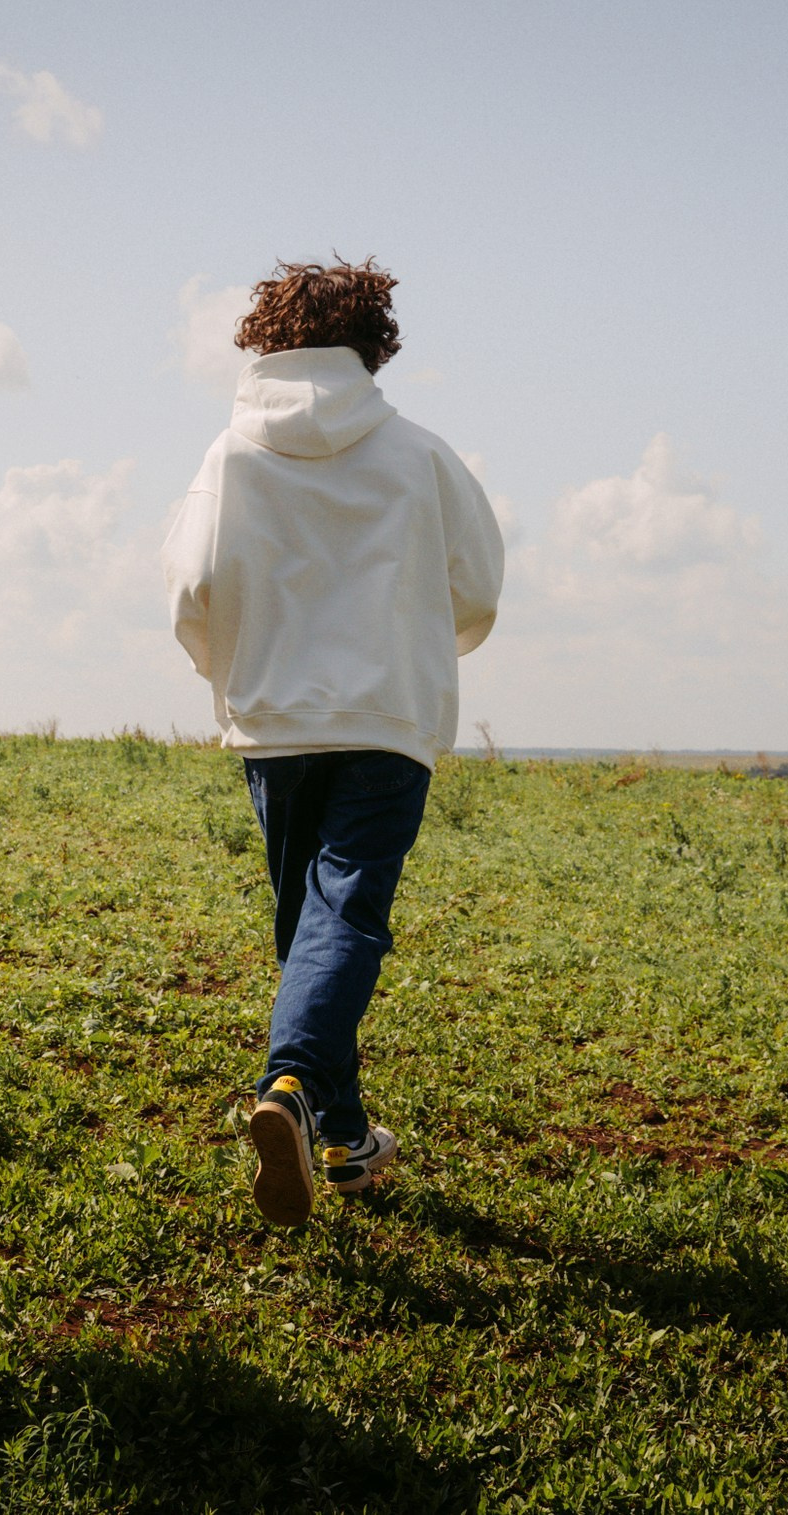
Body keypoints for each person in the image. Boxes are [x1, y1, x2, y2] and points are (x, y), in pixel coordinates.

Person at [163, 259, 504, 1227]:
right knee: (342, 917)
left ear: (267, 342)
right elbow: (477, 589)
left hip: (274, 722)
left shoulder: (228, 457)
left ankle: (343, 1141)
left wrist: (235, 676)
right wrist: (417, 641)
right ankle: (290, 1093)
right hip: (386, 721)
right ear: (371, 346)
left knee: (308, 927)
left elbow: (189, 590)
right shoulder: (419, 456)